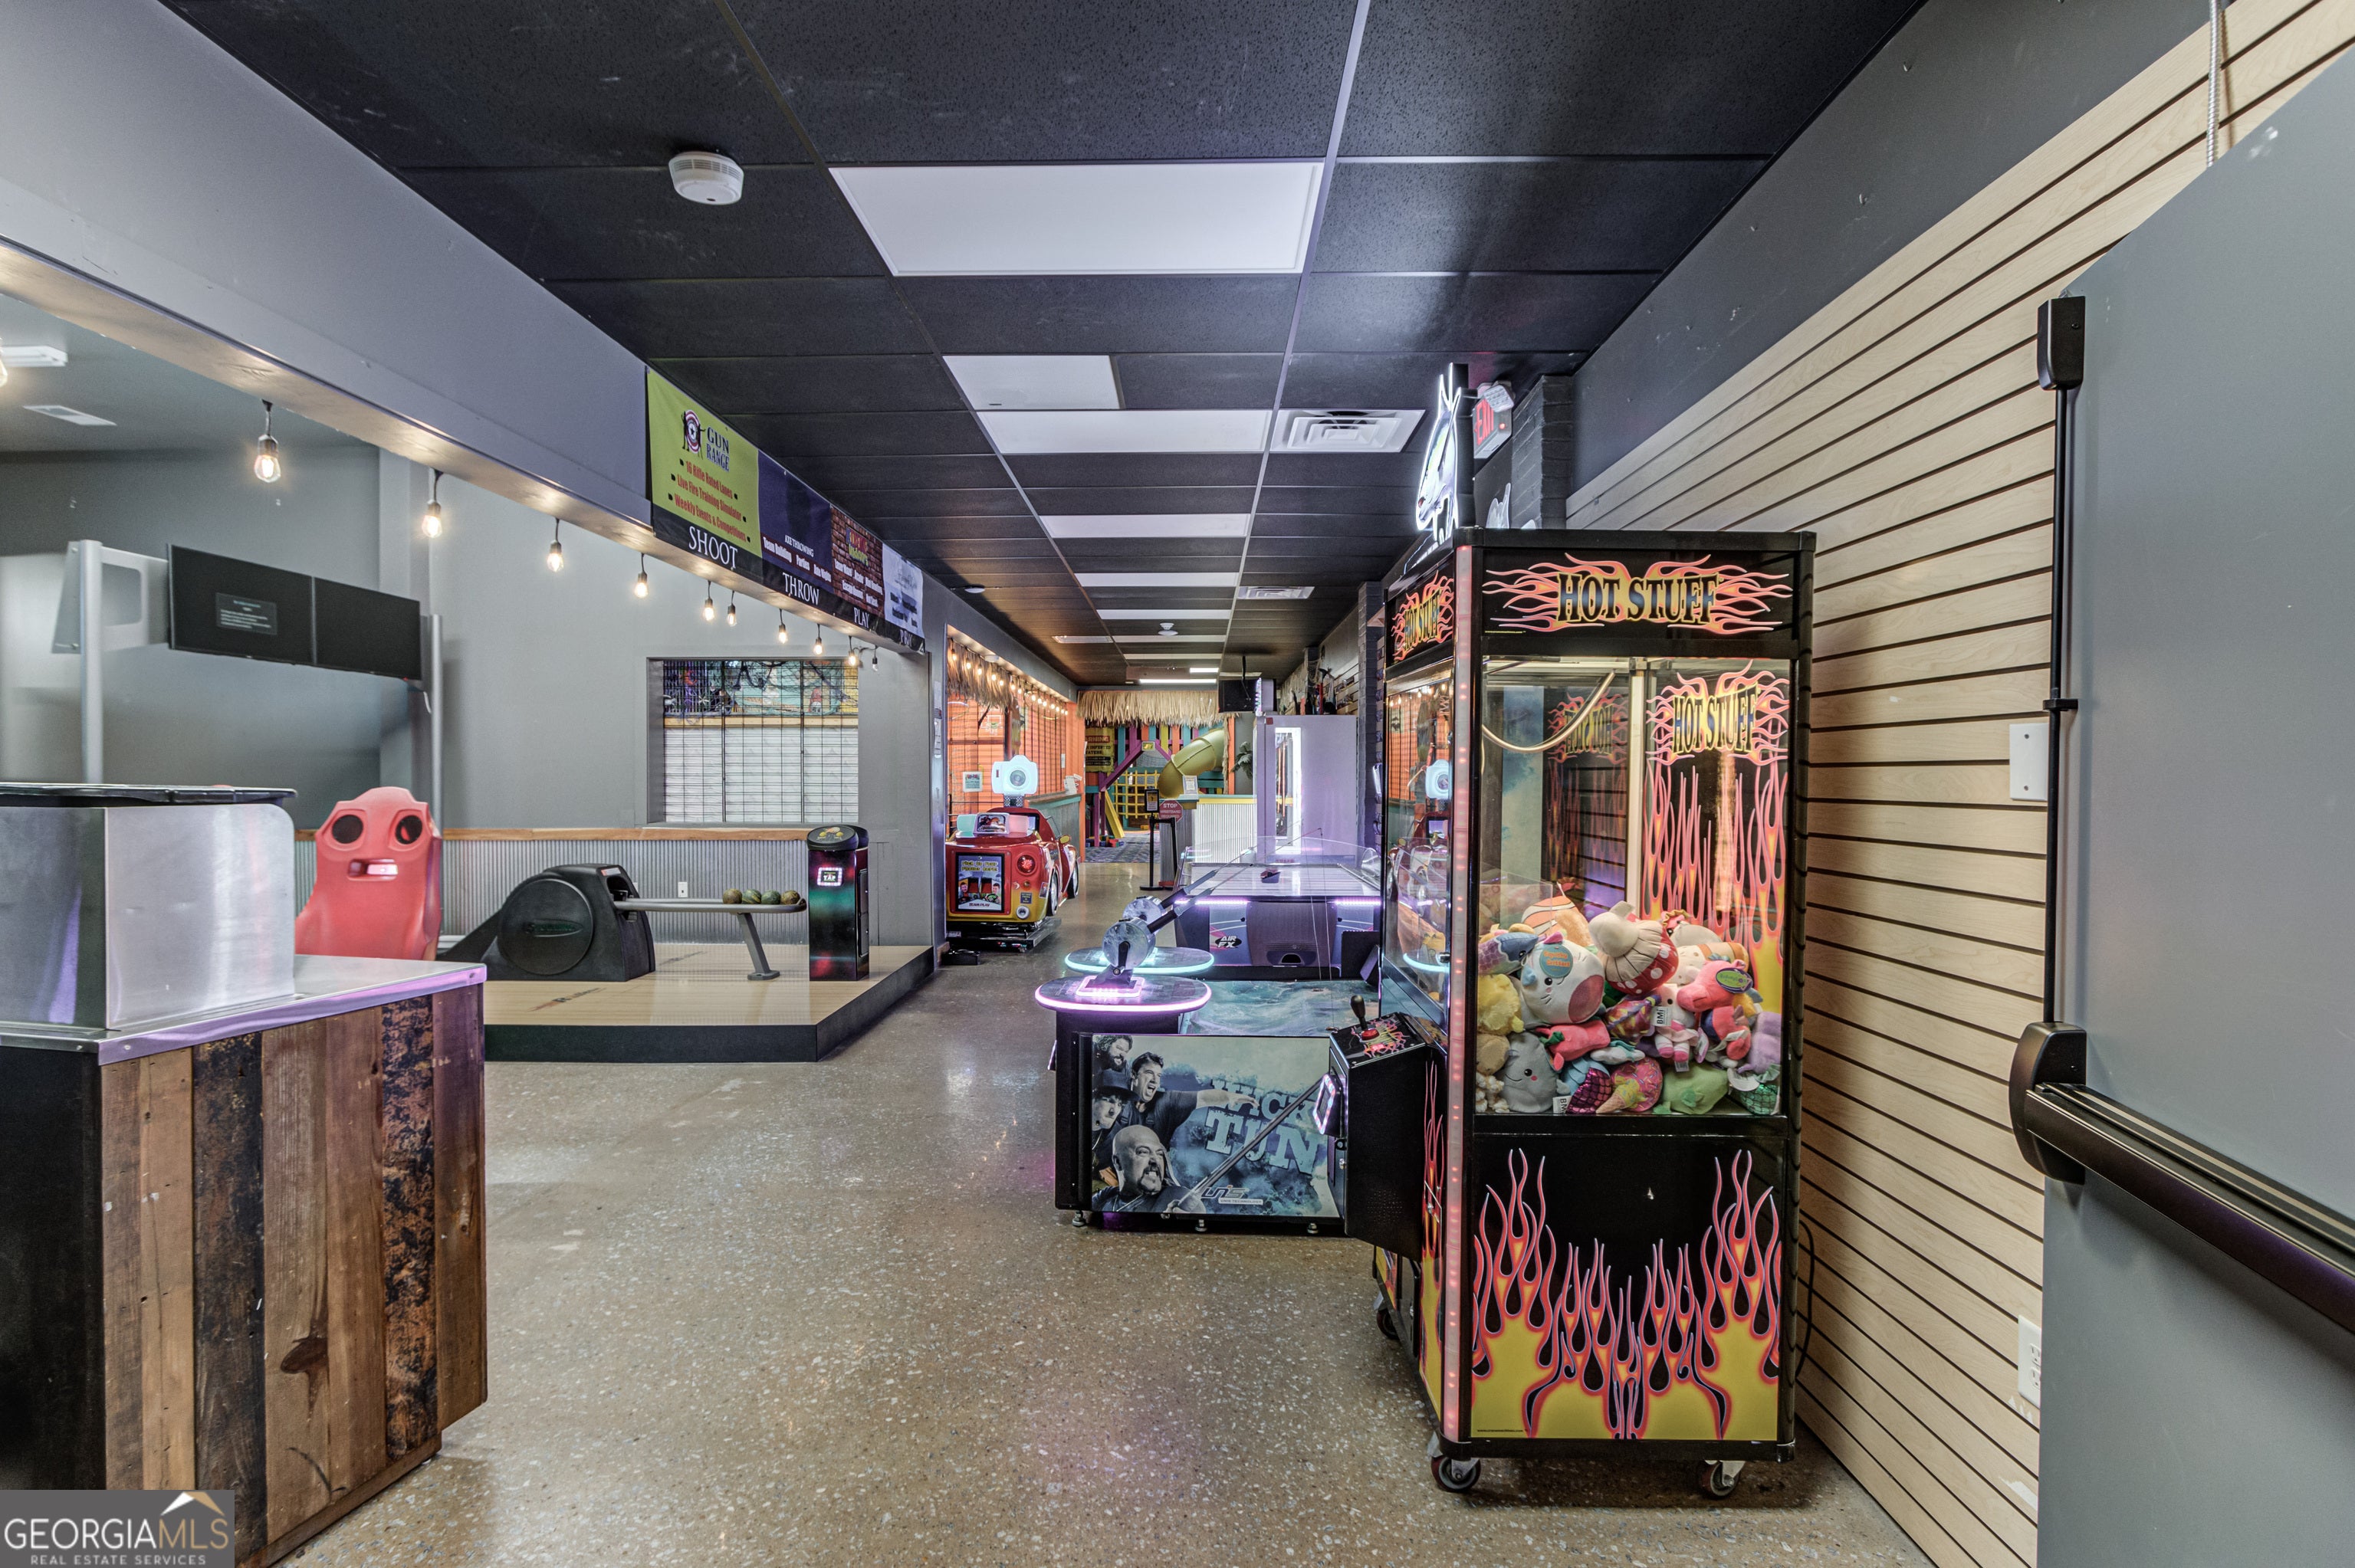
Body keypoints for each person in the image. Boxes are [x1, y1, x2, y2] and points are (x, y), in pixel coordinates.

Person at [1122, 1052, 1257, 1150]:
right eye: (1149, 1073)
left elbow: (1203, 1097)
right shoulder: (1117, 1100)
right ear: (1134, 1075)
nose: (1155, 1080)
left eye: (1158, 1075)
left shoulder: (1167, 1101)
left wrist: (1229, 1096)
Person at [1099, 1124, 1205, 1214]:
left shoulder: (1176, 1196)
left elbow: (1194, 1211)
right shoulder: (1105, 1197)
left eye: (1159, 1154)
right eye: (1143, 1152)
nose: (1156, 1161)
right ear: (1118, 1162)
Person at [1089, 1070, 1131, 1190]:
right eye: (1110, 1101)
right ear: (1093, 1099)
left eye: (1120, 1105)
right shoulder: (1071, 1124)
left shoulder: (1117, 1137)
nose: (1114, 1111)